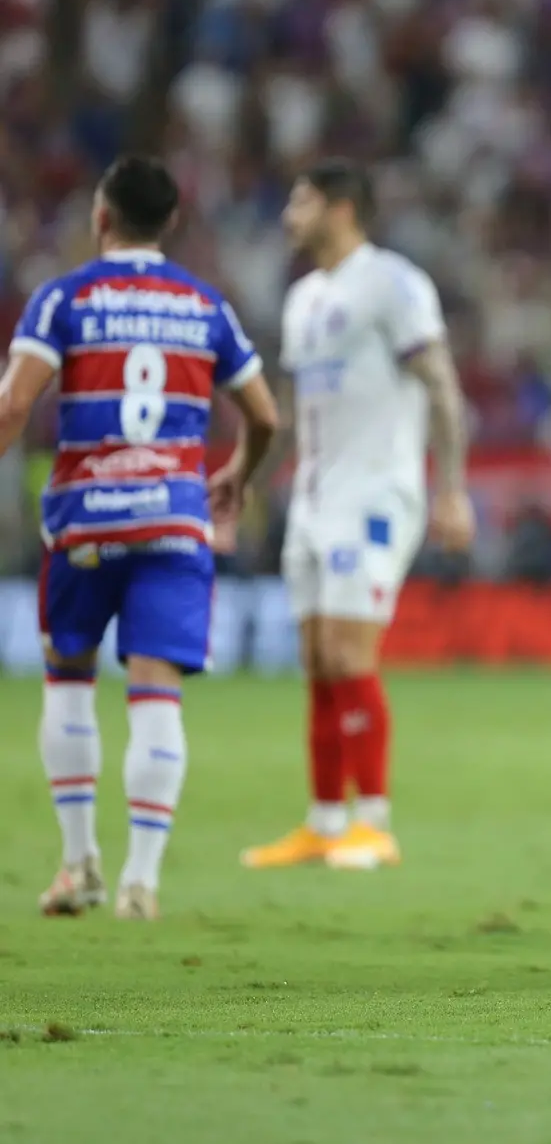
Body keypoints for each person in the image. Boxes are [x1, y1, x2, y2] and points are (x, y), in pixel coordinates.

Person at [1, 155, 278, 920]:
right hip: (172, 519)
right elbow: (265, 415)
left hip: (85, 520)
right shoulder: (204, 305)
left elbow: (12, 405)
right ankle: (141, 881)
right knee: (156, 693)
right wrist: (236, 471)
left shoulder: (64, 298)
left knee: (68, 679)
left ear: (100, 217)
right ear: (172, 223)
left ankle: (78, 861)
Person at [240, 161, 475, 872]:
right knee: (314, 659)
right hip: (312, 498)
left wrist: (453, 488)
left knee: (349, 653)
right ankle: (323, 819)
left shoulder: (393, 283)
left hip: (375, 493)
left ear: (341, 207)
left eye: (300, 199)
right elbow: (286, 405)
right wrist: (247, 476)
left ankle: (374, 821)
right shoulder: (303, 297)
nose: (288, 212)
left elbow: (440, 384)